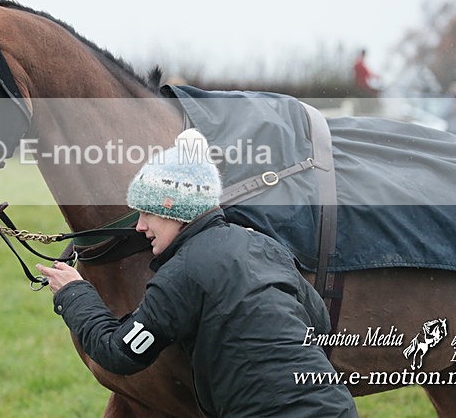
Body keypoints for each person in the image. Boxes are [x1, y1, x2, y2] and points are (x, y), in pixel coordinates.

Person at [37, 129, 357, 417]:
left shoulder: (183, 273)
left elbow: (118, 352)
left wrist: (74, 293)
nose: (140, 226)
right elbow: (319, 325)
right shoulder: (263, 245)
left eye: (146, 211)